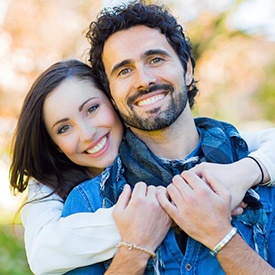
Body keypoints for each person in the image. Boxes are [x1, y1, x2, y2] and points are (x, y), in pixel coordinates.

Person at [61, 1, 275, 274]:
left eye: (155, 59)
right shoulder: (88, 204)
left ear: (187, 69)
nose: (143, 80)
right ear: (110, 95)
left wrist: (221, 236)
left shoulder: (257, 176)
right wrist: (134, 251)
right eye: (124, 71)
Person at [10, 61, 275, 275]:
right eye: (64, 128)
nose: (87, 133)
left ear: (114, 101)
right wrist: (167, 214)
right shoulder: (66, 197)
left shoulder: (223, 147)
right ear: (54, 144)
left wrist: (246, 172)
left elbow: (263, 144)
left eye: (92, 109)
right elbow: (43, 254)